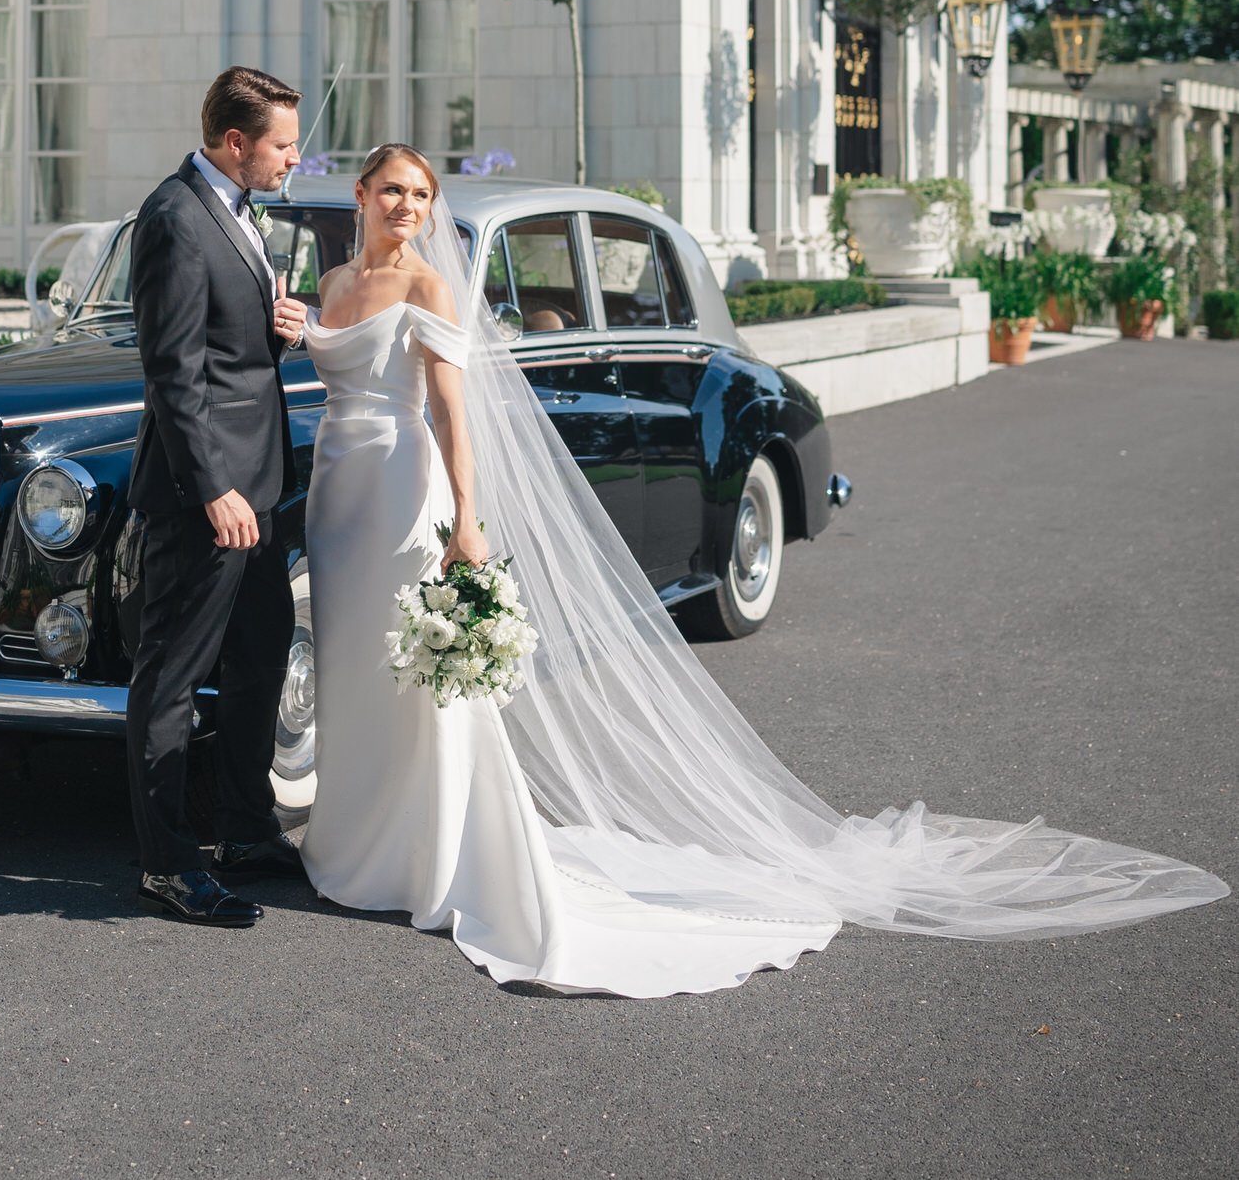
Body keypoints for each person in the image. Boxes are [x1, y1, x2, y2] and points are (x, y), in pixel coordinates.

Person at [298, 142, 1227, 995]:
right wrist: (293, 323)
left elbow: (455, 412)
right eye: (391, 191)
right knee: (353, 660)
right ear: (361, 194)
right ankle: (355, 839)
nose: (407, 207)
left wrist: (468, 520)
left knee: (423, 678)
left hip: (399, 486)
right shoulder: (334, 278)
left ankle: (430, 849)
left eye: (420, 194)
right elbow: (327, 354)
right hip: (336, 489)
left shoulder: (431, 285)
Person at [126, 66, 310, 927]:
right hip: (208, 499)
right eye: (281, 143)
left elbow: (226, 351)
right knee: (171, 678)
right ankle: (167, 865)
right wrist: (213, 491)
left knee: (259, 660)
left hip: (259, 489)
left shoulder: (238, 212)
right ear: (234, 143)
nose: (292, 157)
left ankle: (243, 829)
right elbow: (172, 371)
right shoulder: (172, 217)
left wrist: (276, 331)